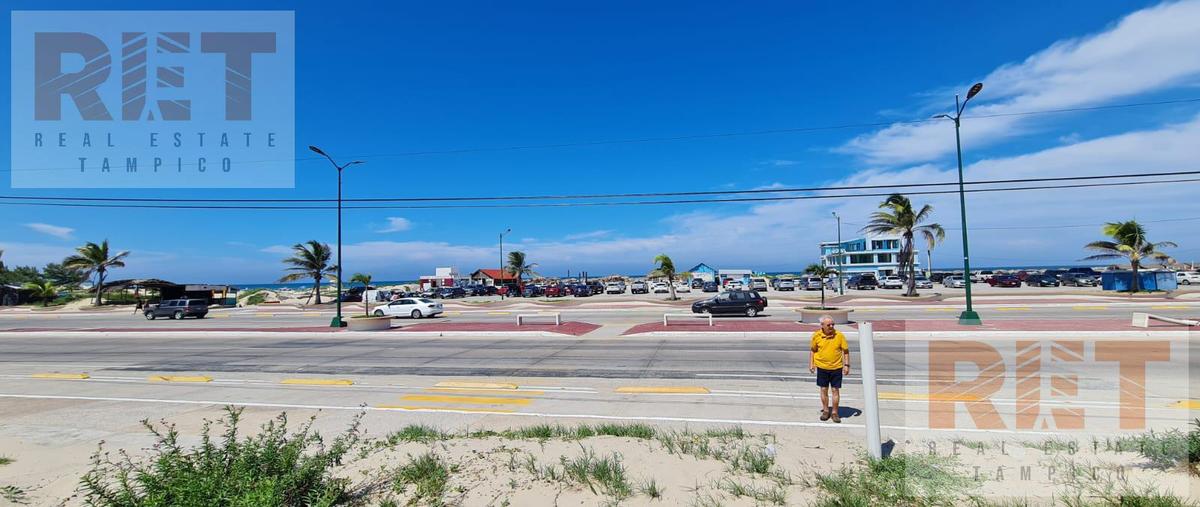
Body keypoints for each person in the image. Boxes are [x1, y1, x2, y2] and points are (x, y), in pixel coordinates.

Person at [809, 314, 850, 423]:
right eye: (829, 324)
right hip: (822, 367)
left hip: (836, 367)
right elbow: (813, 350)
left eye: (833, 324)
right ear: (822, 325)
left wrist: (846, 365)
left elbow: (845, 352)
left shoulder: (839, 336)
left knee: (835, 390)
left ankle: (835, 413)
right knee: (823, 389)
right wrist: (811, 364)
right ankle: (826, 411)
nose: (831, 326)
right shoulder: (816, 336)